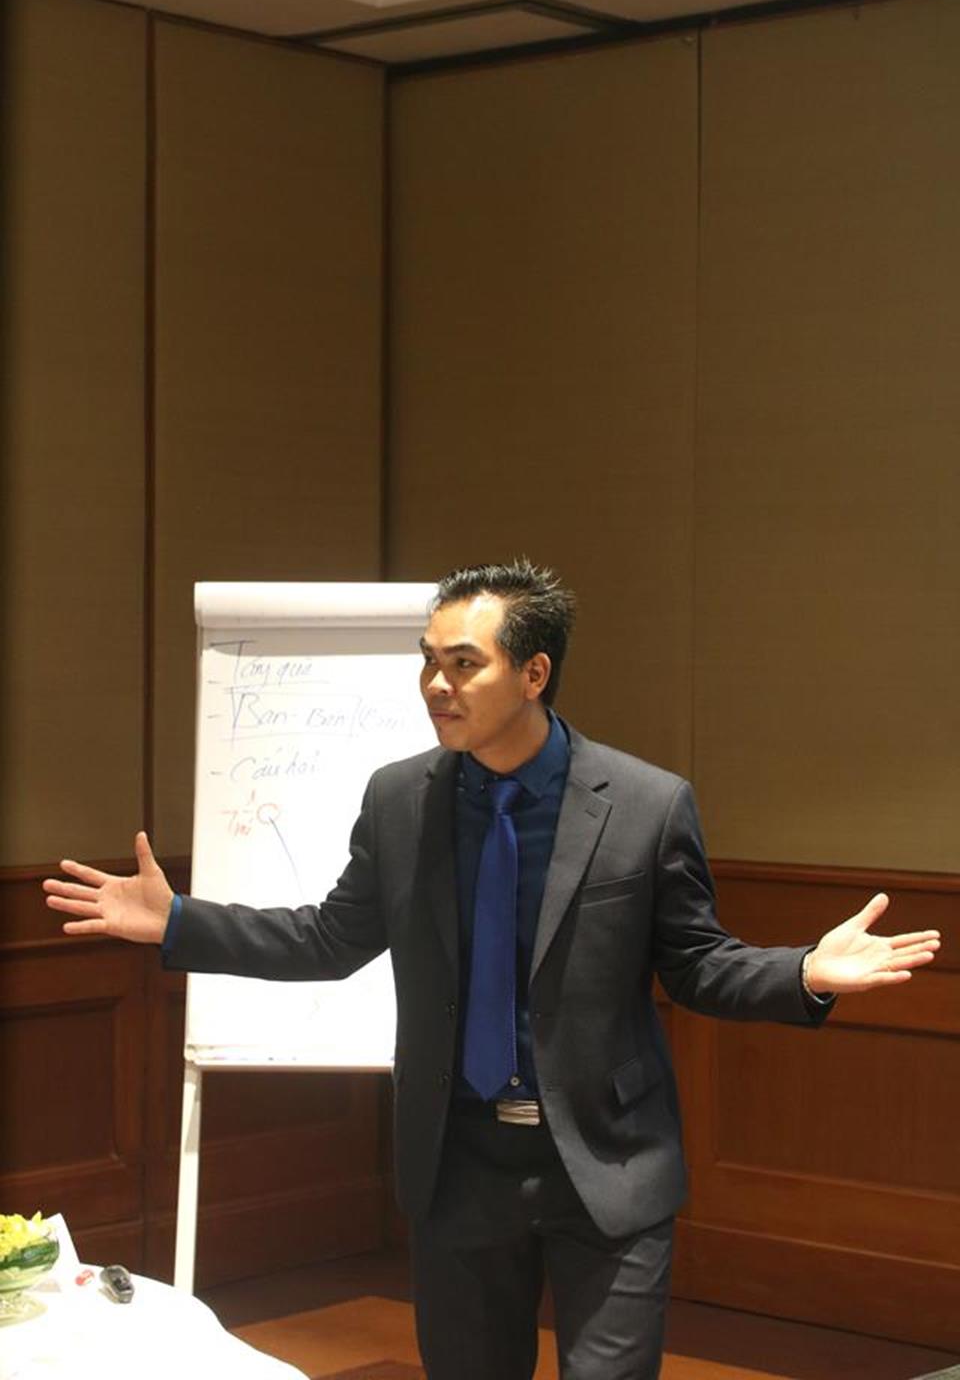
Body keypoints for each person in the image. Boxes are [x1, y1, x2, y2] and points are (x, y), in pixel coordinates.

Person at [44, 560, 941, 1380]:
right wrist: (179, 923)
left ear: (534, 673)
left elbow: (699, 965)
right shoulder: (401, 799)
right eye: (428, 662)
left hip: (606, 1158)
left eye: (463, 665)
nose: (437, 685)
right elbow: (329, 939)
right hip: (459, 1162)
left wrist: (806, 973)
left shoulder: (644, 804)